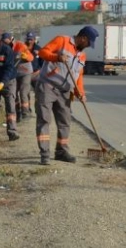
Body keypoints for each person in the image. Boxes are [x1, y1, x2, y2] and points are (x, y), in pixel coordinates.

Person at [35, 26, 98, 165]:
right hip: (47, 86)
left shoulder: (82, 55)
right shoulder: (62, 40)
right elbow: (42, 52)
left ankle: (61, 152)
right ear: (83, 38)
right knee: (44, 120)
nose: (87, 47)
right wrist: (56, 57)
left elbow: (78, 76)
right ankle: (44, 154)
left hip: (65, 92)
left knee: (65, 122)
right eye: (88, 43)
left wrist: (80, 93)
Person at [2, 32, 34, 121]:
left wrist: (26, 56)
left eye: (7, 41)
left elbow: (31, 57)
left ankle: (25, 113)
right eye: (4, 42)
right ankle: (17, 112)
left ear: (11, 39)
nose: (6, 44)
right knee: (14, 93)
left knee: (23, 92)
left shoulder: (20, 45)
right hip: (14, 73)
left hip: (25, 72)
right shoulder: (3, 49)